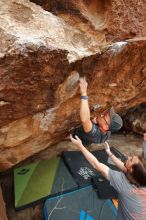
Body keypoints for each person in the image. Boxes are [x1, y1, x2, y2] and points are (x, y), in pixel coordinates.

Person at [70, 133, 146, 220]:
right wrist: (109, 153)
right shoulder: (141, 177)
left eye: (131, 159)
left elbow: (97, 165)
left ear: (132, 170)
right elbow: (123, 166)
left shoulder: (123, 184)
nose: (128, 157)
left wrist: (80, 146)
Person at [73, 78, 123, 145]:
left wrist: (84, 93)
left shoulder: (95, 134)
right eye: (105, 113)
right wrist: (96, 122)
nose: (102, 115)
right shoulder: (107, 129)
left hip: (76, 137)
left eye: (104, 116)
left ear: (105, 127)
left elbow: (85, 120)